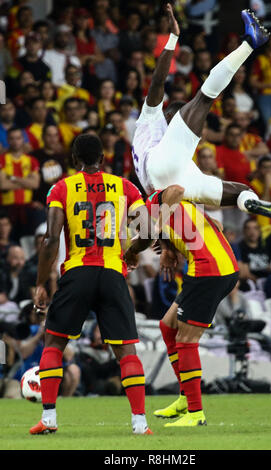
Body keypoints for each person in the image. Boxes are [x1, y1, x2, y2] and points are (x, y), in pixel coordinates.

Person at [31, 133, 153, 436]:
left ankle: (48, 419)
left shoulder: (61, 188)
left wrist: (41, 283)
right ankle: (140, 423)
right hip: (113, 273)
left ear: (74, 159)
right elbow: (148, 232)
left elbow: (50, 240)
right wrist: (131, 253)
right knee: (126, 352)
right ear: (103, 158)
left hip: (77, 272)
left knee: (55, 343)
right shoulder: (126, 187)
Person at [131, 5, 271, 224]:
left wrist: (162, 237)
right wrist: (173, 38)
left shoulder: (151, 132)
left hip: (167, 184)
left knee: (240, 192)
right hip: (162, 168)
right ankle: (250, 43)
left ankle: (250, 202)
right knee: (204, 98)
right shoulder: (153, 117)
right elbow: (158, 81)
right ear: (171, 117)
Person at [126, 184, 239, 426]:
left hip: (209, 271)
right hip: (220, 266)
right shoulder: (172, 208)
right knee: (168, 326)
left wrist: (150, 234)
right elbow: (216, 227)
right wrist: (169, 245)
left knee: (186, 341)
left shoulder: (155, 201)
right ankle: (185, 399)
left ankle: (196, 413)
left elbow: (175, 190)